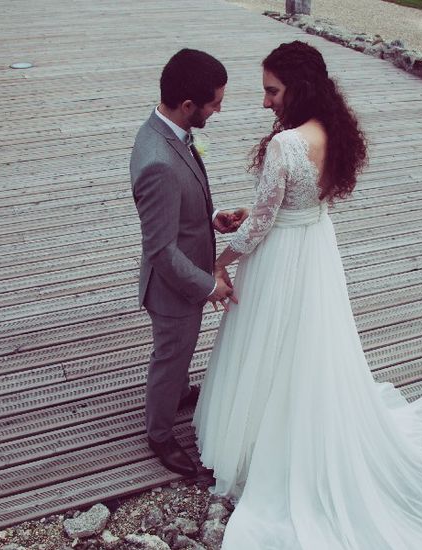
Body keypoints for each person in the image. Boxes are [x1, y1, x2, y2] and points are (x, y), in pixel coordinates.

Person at [193, 41, 422, 549]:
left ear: (297, 88)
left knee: (271, 339)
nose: (265, 102)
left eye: (271, 91)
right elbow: (287, 204)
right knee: (308, 346)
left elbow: (260, 227)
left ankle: (263, 440)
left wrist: (219, 261)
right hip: (315, 250)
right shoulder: (331, 130)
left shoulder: (285, 144)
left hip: (282, 256)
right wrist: (250, 211)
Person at [131, 48, 248, 477]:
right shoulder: (158, 162)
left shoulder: (169, 134)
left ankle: (178, 392)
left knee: (178, 352)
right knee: (171, 354)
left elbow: (175, 211)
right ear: (187, 106)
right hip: (173, 288)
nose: (219, 108)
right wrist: (208, 285)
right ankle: (159, 435)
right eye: (215, 102)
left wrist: (211, 219)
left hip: (185, 271)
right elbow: (161, 250)